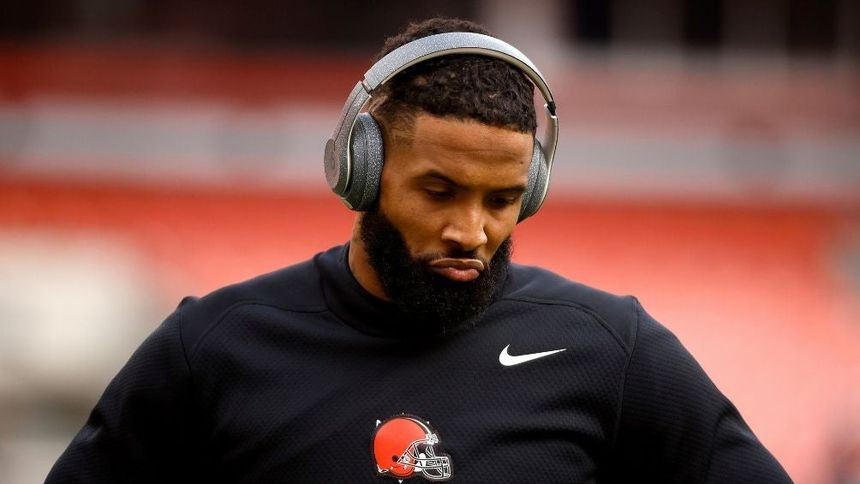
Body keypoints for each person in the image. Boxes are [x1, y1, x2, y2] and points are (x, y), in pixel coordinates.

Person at [47, 17, 791, 483]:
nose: (471, 231)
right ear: (362, 171)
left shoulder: (610, 349)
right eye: (439, 191)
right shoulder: (212, 347)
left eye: (501, 200)